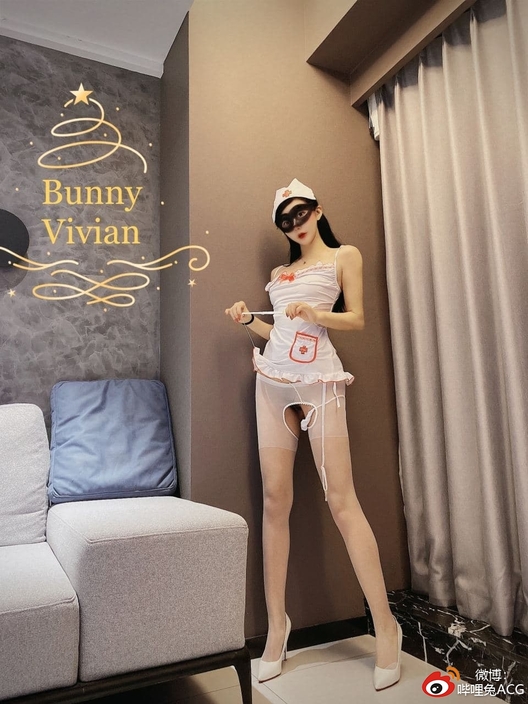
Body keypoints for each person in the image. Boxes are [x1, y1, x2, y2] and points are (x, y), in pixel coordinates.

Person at [225, 178, 402, 691]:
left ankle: (385, 625)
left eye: (301, 214)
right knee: (274, 500)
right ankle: (276, 627)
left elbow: (358, 319)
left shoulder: (345, 256)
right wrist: (247, 321)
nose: (295, 225)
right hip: (272, 382)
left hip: (320, 380)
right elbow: (277, 333)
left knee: (342, 500)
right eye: (286, 221)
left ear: (318, 210)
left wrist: (315, 313)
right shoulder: (278, 275)